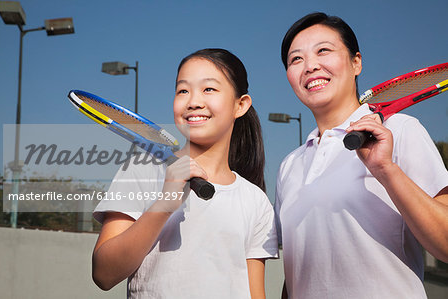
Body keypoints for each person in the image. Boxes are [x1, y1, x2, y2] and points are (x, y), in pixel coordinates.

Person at [274, 12, 448, 299]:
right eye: (296, 59)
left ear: (356, 62)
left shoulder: (401, 130)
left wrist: (386, 170)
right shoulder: (288, 166)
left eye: (323, 51)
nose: (310, 66)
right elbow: (296, 274)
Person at [92, 48, 278, 298]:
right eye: (183, 90)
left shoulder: (256, 201)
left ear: (240, 105)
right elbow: (104, 273)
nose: (193, 101)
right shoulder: (143, 171)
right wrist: (165, 203)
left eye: (209, 89)